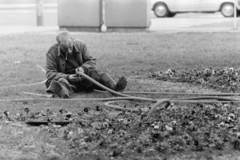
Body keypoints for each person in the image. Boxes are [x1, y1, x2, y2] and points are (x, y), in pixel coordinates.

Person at [45, 30, 127, 98]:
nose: (69, 51)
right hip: (67, 80)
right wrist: (68, 77)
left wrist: (83, 68)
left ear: (72, 39)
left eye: (70, 47)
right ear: (58, 45)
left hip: (84, 78)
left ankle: (115, 88)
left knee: (97, 73)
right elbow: (50, 73)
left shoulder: (81, 45)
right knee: (60, 81)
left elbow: (91, 61)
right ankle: (63, 91)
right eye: (65, 49)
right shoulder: (51, 52)